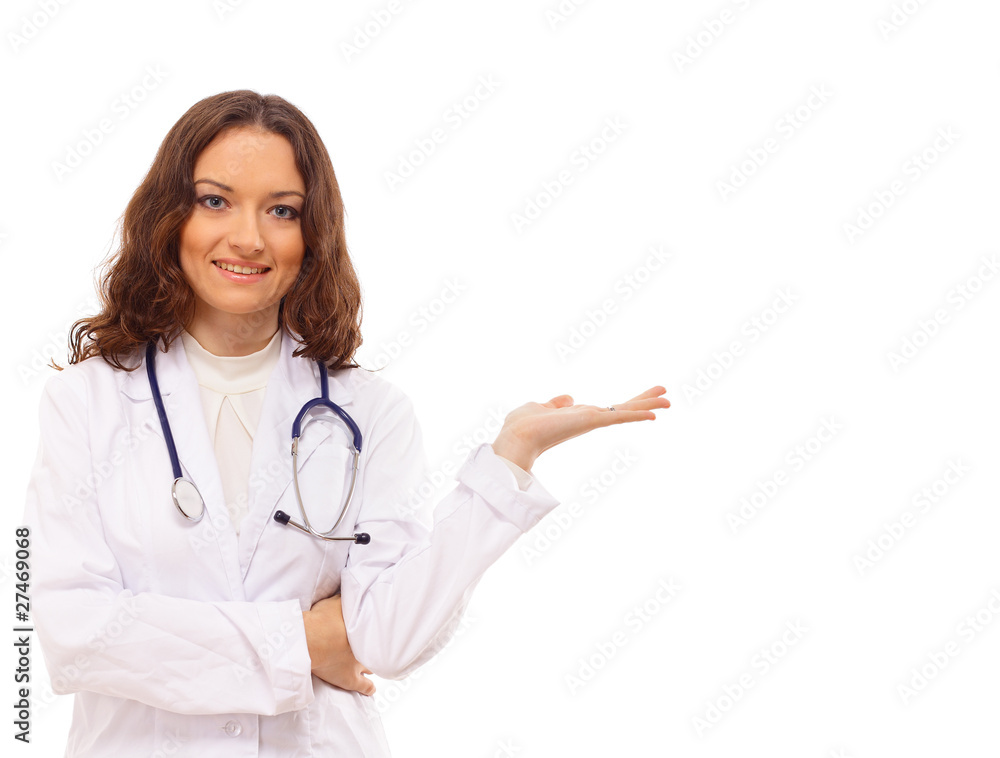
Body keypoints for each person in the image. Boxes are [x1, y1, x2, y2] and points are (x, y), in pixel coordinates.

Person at [22, 89, 669, 756]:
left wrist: (508, 465)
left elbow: (387, 637)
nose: (247, 236)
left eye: (281, 211)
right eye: (216, 200)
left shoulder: (368, 413)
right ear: (170, 216)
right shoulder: (86, 402)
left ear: (312, 233)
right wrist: (304, 644)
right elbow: (76, 631)